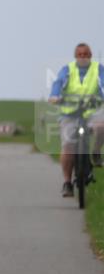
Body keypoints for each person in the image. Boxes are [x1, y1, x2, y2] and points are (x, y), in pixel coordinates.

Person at [48, 43, 104, 196]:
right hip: (70, 113)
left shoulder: (98, 69)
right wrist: (55, 95)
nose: (83, 57)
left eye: (86, 54)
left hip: (91, 112)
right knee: (67, 147)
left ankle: (96, 152)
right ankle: (67, 183)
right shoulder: (68, 69)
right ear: (75, 56)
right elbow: (58, 83)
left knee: (101, 127)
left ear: (90, 55)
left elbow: (103, 84)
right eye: (80, 54)